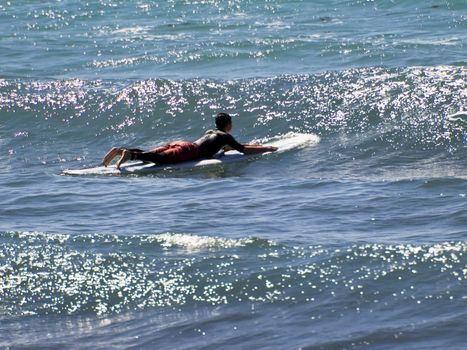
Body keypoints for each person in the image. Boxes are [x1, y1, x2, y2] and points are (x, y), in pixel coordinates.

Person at [102, 112, 278, 169]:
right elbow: (242, 150)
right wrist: (267, 149)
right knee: (159, 160)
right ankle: (129, 155)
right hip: (188, 151)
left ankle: (120, 150)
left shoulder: (213, 133)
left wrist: (260, 145)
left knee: (153, 155)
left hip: (183, 144)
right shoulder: (225, 136)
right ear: (228, 124)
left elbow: (235, 147)